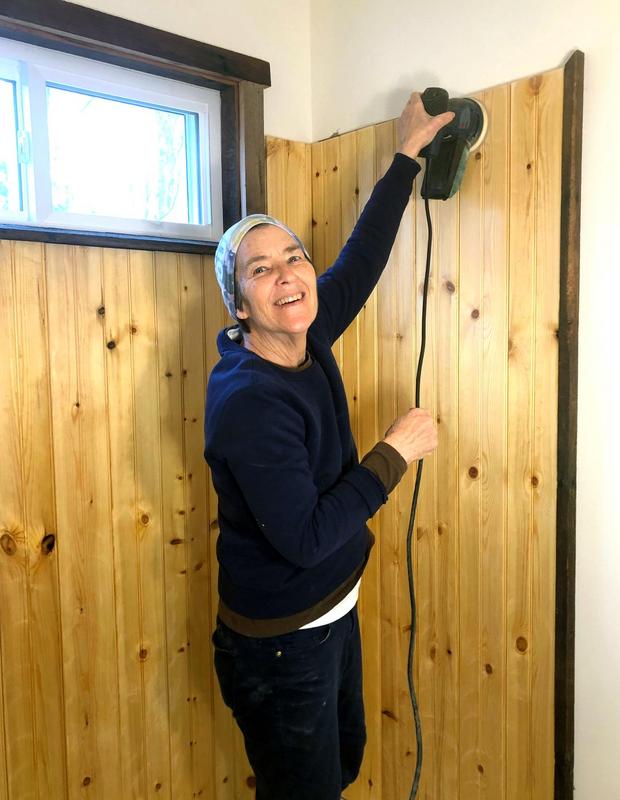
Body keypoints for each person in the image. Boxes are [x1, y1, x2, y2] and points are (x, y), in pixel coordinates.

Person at [204, 91, 453, 800]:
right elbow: (307, 537)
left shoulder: (305, 332)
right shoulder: (250, 400)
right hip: (282, 642)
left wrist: (407, 154)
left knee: (336, 773)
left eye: (295, 257)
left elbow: (364, 258)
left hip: (328, 617)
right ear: (240, 304)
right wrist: (393, 453)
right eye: (261, 269)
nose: (288, 275)